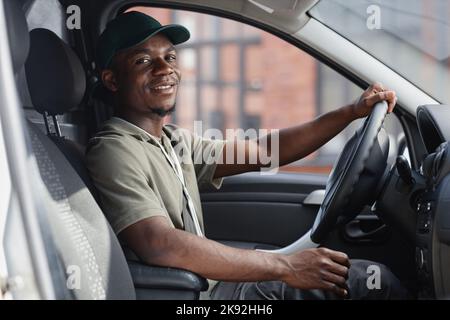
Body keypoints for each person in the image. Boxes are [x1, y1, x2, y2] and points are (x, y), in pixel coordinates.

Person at [86, 11, 407, 300]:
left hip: (207, 284)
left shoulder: (170, 140)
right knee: (372, 283)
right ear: (112, 80)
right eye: (143, 61)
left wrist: (351, 111)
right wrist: (285, 267)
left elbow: (266, 151)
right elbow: (159, 243)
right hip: (196, 297)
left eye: (170, 57)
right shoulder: (115, 147)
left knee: (361, 277)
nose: (164, 69)